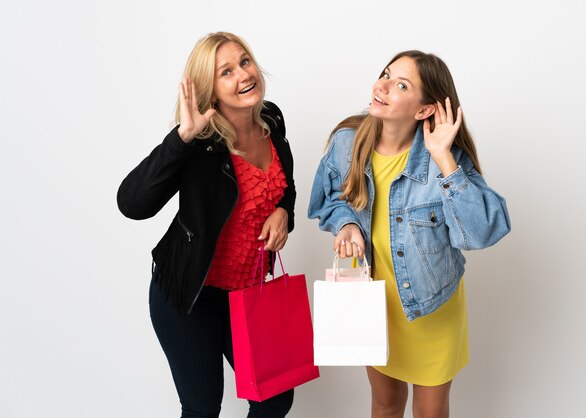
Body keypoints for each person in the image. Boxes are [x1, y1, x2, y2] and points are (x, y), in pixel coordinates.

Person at [308, 50, 510, 418]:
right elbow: (330, 200)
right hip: (376, 306)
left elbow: (484, 230)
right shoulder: (347, 142)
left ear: (424, 110)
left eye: (400, 84)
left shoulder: (445, 158)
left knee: (430, 413)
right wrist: (347, 224)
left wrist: (444, 158)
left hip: (432, 308)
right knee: (385, 406)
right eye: (385, 74)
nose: (381, 86)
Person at [117, 32, 296, 418]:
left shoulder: (273, 120)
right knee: (202, 407)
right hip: (188, 295)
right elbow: (132, 204)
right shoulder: (199, 145)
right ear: (210, 90)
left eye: (244, 62)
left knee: (275, 397)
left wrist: (284, 214)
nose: (243, 75)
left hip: (246, 295)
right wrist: (181, 137)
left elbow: (285, 190)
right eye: (226, 72)